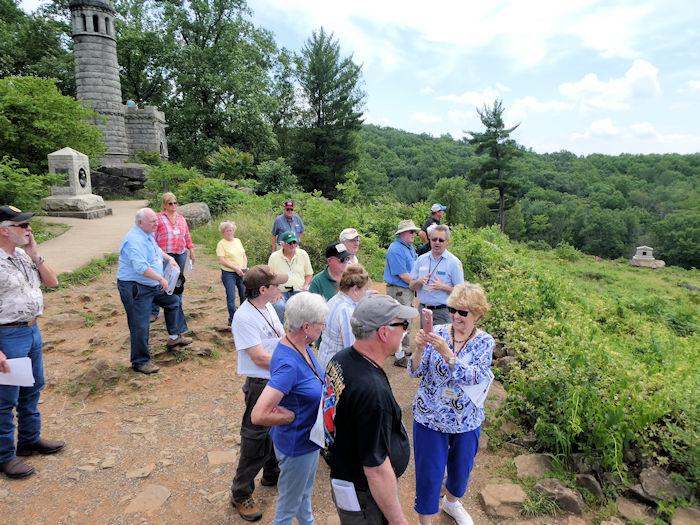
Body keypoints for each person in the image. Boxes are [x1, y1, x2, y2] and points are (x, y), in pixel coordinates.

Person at [323, 295, 416, 524]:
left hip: (345, 468)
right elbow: (375, 470)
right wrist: (398, 521)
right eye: (402, 325)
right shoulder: (371, 392)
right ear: (384, 333)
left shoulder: (342, 358)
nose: (405, 331)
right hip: (364, 493)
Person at [408, 283, 494, 525]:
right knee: (429, 474)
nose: (456, 316)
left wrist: (448, 354)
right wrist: (419, 350)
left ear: (478, 314)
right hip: (430, 416)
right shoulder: (437, 331)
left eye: (463, 312)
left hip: (466, 419)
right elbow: (414, 372)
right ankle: (424, 521)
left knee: (460, 471)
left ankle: (452, 503)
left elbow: (476, 376)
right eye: (454, 309)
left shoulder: (485, 342)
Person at [251, 293, 329, 525]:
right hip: (298, 444)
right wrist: (289, 417)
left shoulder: (298, 345)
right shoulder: (288, 364)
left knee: (303, 495)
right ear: (306, 326)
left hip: (308, 439)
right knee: (287, 506)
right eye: (321, 324)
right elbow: (258, 414)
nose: (323, 328)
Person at [0, 205, 65, 479]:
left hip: (31, 331)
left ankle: (29, 440)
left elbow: (52, 282)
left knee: (33, 388)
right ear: (4, 230)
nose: (29, 230)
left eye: (28, 225)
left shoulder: (26, 257)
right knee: (5, 399)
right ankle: (4, 456)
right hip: (7, 335)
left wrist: (36, 255)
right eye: (22, 226)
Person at [230, 265, 288, 522]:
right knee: (255, 436)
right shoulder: (244, 317)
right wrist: (291, 361)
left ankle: (271, 473)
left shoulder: (268, 307)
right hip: (259, 383)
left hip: (274, 378)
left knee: (273, 429)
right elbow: (259, 357)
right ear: (263, 289)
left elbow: (279, 339)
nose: (280, 288)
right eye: (276, 285)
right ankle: (241, 493)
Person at [117, 208, 192, 375]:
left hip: (151, 284)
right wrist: (160, 279)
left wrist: (170, 258)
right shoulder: (134, 240)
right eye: (153, 221)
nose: (157, 223)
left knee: (173, 301)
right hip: (135, 287)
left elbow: (157, 250)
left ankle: (174, 338)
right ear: (140, 223)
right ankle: (140, 362)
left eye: (156, 221)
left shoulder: (147, 234)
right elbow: (141, 267)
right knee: (140, 325)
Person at [151, 192, 195, 322]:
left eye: (175, 202)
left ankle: (177, 307)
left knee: (177, 281)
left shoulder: (181, 218)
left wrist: (191, 250)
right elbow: (153, 237)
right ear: (165, 205)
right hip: (165, 254)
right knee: (161, 281)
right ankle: (154, 311)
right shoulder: (158, 218)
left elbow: (187, 235)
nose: (174, 205)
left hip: (180, 252)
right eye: (170, 203)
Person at [318, 264, 371, 371]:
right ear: (355, 289)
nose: (365, 294)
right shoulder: (347, 311)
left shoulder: (335, 299)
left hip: (324, 361)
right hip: (336, 369)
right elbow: (352, 349)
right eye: (365, 290)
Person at [410, 224, 464, 327]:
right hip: (424, 310)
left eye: (441, 240)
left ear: (447, 241)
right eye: (434, 239)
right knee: (425, 342)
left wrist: (443, 287)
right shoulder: (421, 259)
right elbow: (411, 286)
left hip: (443, 312)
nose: (437, 242)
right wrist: (419, 281)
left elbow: (461, 291)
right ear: (430, 239)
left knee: (441, 342)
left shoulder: (454, 262)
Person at [383, 219, 420, 367]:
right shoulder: (396, 249)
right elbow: (402, 275)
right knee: (401, 322)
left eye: (414, 232)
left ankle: (400, 349)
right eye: (411, 231)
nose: (414, 234)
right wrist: (417, 285)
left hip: (406, 289)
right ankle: (400, 355)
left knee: (406, 320)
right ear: (402, 233)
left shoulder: (408, 248)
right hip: (399, 290)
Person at [268, 231, 313, 324]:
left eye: (294, 242)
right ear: (282, 244)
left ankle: (299, 331)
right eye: (289, 243)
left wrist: (305, 286)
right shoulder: (274, 257)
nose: (293, 245)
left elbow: (309, 274)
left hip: (299, 290)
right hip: (281, 292)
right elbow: (270, 277)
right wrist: (276, 292)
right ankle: (278, 330)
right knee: (279, 306)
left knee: (303, 309)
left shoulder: (303, 254)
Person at [216, 220, 247, 325]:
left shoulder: (238, 241)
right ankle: (232, 319)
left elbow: (243, 255)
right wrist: (235, 268)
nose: (229, 232)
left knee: (244, 294)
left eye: (231, 230)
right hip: (228, 273)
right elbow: (222, 260)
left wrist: (244, 266)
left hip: (241, 272)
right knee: (231, 296)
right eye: (227, 231)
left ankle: (244, 317)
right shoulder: (221, 244)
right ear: (223, 232)